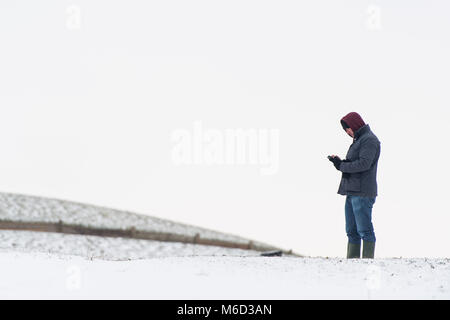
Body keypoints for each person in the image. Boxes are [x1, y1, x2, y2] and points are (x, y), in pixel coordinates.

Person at [328, 112, 381, 259]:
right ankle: (352, 263)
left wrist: (342, 167)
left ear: (355, 125)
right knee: (351, 231)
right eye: (345, 130)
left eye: (348, 128)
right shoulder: (359, 140)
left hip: (363, 192)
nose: (347, 132)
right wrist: (340, 163)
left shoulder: (369, 140)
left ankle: (367, 262)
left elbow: (364, 164)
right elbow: (355, 162)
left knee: (364, 230)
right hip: (352, 191)